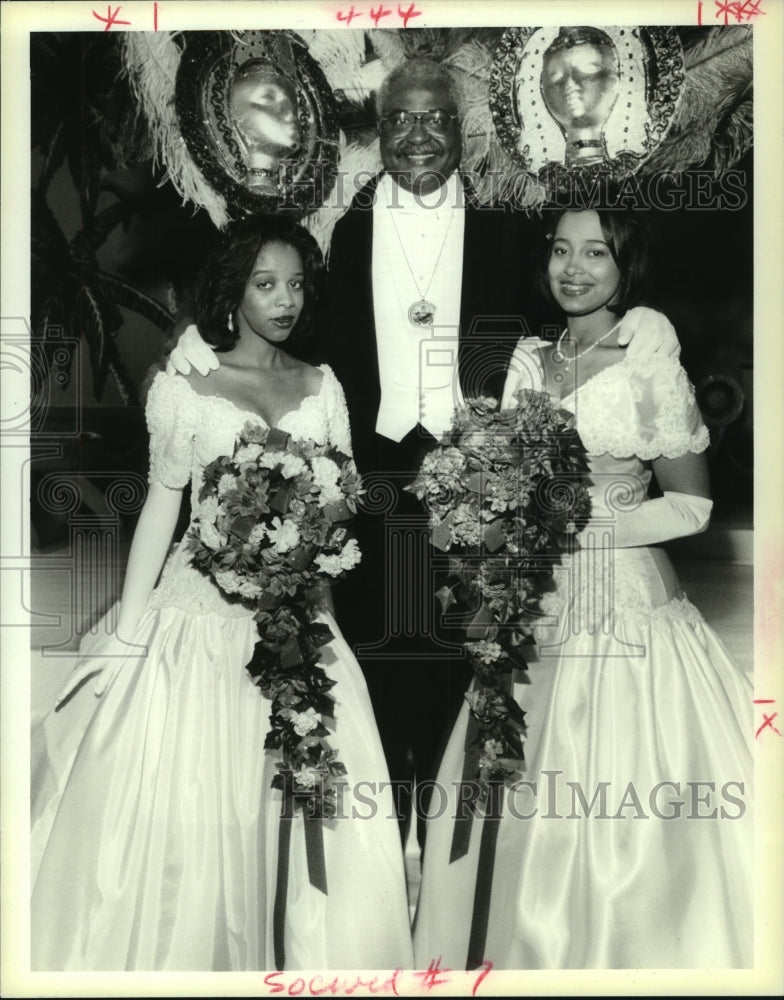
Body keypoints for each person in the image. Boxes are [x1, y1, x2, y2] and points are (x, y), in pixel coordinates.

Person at [169, 58, 681, 849]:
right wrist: (194, 345)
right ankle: (389, 851)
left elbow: (571, 320)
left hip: (479, 483)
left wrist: (647, 324)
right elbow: (285, 320)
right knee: (374, 665)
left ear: (459, 130)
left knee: (465, 671)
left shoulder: (511, 232)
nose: (417, 136)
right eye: (400, 120)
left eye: (434, 119)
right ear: (382, 131)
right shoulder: (352, 228)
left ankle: (447, 857)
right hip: (371, 481)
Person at [30, 215, 413, 971]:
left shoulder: (322, 384)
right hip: (200, 619)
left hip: (300, 618)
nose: (284, 301)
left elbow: (344, 498)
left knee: (314, 793)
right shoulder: (187, 385)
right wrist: (129, 633)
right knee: (198, 812)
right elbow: (163, 507)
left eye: (296, 284)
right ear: (232, 291)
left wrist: (314, 532)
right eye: (264, 284)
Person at [412, 208, 753, 969]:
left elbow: (693, 507)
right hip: (530, 597)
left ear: (625, 266)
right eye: (562, 250)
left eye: (596, 252)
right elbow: (505, 474)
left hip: (623, 600)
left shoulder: (648, 358)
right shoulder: (530, 358)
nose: (575, 267)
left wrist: (583, 530)